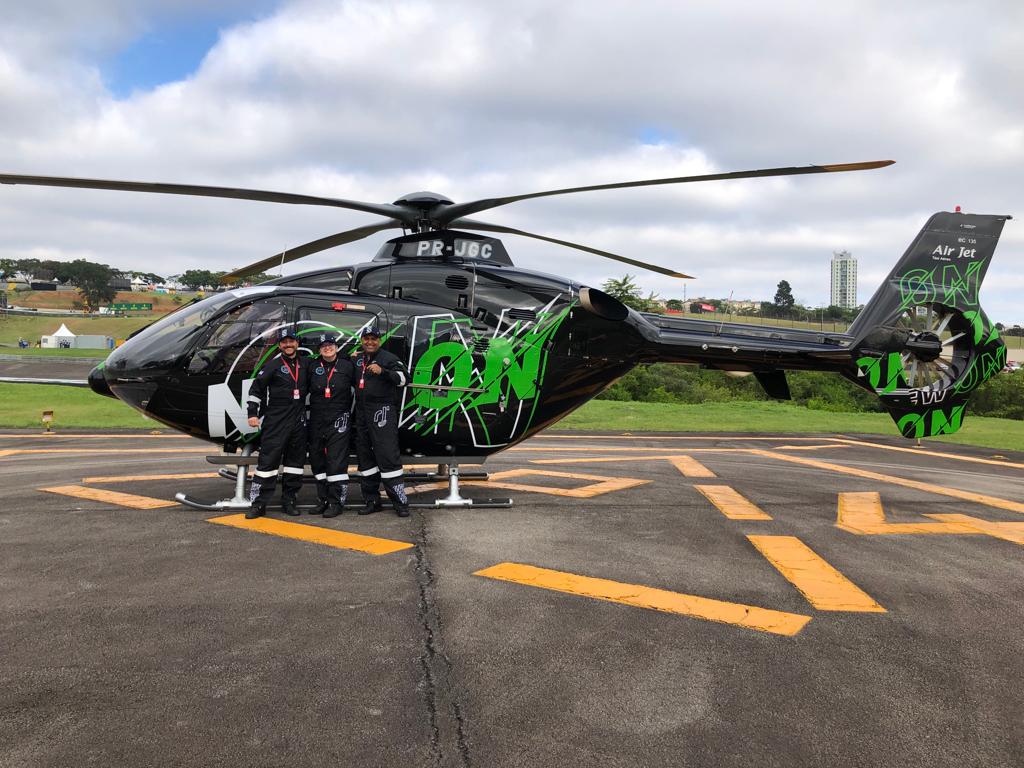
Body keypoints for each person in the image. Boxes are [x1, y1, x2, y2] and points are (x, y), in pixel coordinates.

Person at [245, 327, 311, 518]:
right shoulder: (272, 365)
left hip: (298, 421)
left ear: (297, 343)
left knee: (295, 464)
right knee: (267, 463)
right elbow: (256, 390)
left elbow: (328, 361)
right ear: (280, 345)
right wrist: (252, 413)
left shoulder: (306, 363)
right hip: (276, 420)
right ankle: (258, 504)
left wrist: (351, 356)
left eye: (291, 341)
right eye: (284, 342)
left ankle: (289, 501)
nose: (288, 345)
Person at [353, 325, 410, 517]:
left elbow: (404, 379)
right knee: (365, 460)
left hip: (382, 413)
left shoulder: (389, 358)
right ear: (362, 340)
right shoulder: (357, 358)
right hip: (361, 414)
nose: (370, 342)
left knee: (388, 458)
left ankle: (400, 503)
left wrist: (384, 371)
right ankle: (372, 501)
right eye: (366, 338)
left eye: (374, 338)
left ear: (379, 340)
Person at [307, 333, 356, 518]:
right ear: (319, 350)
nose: (327, 348)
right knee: (317, 460)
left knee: (336, 461)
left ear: (336, 347)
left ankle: (336, 502)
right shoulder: (312, 366)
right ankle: (323, 500)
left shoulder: (347, 366)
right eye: (323, 346)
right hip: (317, 419)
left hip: (339, 418)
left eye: (330, 344)